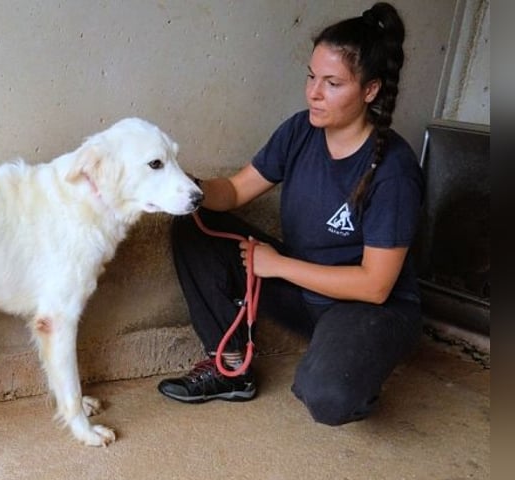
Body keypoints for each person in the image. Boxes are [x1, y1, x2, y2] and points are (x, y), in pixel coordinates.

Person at [157, 2, 424, 426]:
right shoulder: (301, 130)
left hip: (365, 309)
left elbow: (375, 286)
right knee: (192, 222)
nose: (314, 93)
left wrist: (277, 265)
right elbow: (235, 191)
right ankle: (230, 367)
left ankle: (351, 364)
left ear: (370, 90)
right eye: (311, 76)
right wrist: (189, 188)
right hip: (303, 289)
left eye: (333, 83)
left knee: (327, 396)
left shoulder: (393, 169)